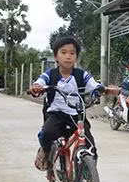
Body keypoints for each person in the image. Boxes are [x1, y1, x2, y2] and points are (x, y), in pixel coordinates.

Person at [29, 36, 105, 170]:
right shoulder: (50, 75)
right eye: (63, 53)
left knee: (90, 146)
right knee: (46, 134)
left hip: (77, 116)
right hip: (56, 114)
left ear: (76, 57)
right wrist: (36, 87)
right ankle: (45, 151)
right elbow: (40, 82)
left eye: (72, 53)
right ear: (56, 56)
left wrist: (99, 89)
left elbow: (93, 84)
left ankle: (88, 178)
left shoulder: (81, 75)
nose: (68, 56)